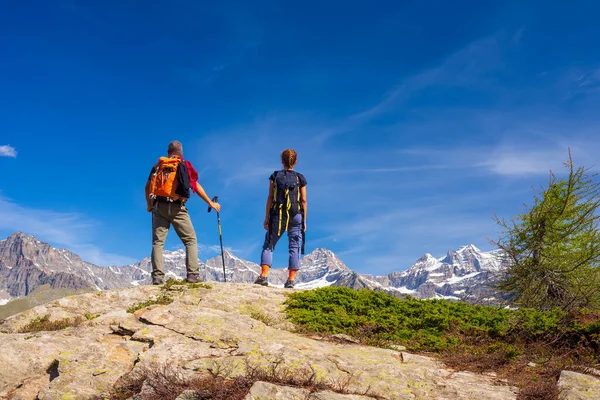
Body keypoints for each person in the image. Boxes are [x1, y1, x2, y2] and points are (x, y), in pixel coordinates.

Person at [145, 140, 220, 285]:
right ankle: (192, 274)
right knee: (190, 240)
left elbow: (147, 186)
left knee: (158, 243)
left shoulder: (158, 165)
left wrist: (149, 205)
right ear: (181, 153)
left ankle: (157, 277)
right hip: (177, 207)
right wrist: (210, 203)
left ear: (168, 152)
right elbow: (195, 186)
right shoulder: (183, 164)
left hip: (158, 206)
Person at [254, 149, 307, 288]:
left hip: (278, 214)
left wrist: (267, 217)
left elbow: (270, 197)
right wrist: (304, 220)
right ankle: (291, 280)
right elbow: (304, 201)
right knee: (294, 246)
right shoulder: (300, 178)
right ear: (296, 161)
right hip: (296, 215)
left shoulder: (275, 176)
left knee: (269, 244)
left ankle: (264, 276)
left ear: (282, 161)